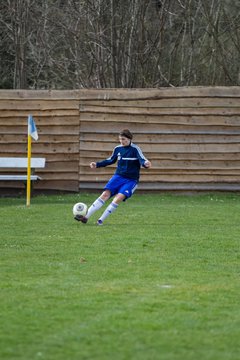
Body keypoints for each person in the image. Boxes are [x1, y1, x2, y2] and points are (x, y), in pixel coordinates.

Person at [75, 129, 151, 225]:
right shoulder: (117, 149)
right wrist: (97, 164)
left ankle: (100, 220)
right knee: (105, 194)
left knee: (118, 198)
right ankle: (85, 217)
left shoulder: (135, 149)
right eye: (120, 139)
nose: (121, 141)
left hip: (131, 180)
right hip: (118, 177)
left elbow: (142, 159)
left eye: (123, 139)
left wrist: (146, 163)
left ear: (129, 139)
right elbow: (110, 160)